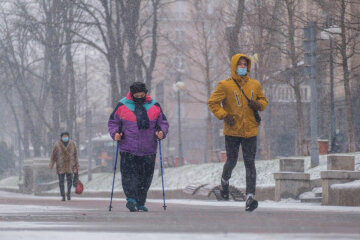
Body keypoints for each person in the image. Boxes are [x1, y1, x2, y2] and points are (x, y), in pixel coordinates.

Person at [208, 53, 268, 211]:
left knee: (250, 163)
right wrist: (224, 115)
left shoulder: (254, 84)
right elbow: (212, 102)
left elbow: (263, 101)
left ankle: (250, 197)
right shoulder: (225, 85)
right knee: (232, 161)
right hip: (232, 130)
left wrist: (258, 104)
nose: (242, 67)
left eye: (245, 65)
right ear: (235, 66)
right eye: (240, 65)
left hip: (250, 130)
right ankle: (224, 181)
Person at [108, 82, 169, 212]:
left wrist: (161, 132)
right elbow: (113, 122)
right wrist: (115, 134)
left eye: (142, 95)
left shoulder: (154, 106)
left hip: (148, 149)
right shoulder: (122, 105)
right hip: (128, 148)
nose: (140, 97)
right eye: (137, 95)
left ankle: (140, 202)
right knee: (129, 175)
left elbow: (163, 122)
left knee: (145, 177)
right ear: (132, 94)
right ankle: (131, 199)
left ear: (145, 93)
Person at [49, 132, 79, 201]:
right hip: (60, 165)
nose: (65, 137)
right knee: (61, 182)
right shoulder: (57, 144)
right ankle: (63, 195)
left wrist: (77, 164)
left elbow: (75, 155)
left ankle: (68, 193)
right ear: (61, 137)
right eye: (64, 136)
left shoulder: (73, 144)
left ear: (68, 136)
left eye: (66, 136)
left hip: (70, 165)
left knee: (69, 181)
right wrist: (51, 163)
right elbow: (53, 155)